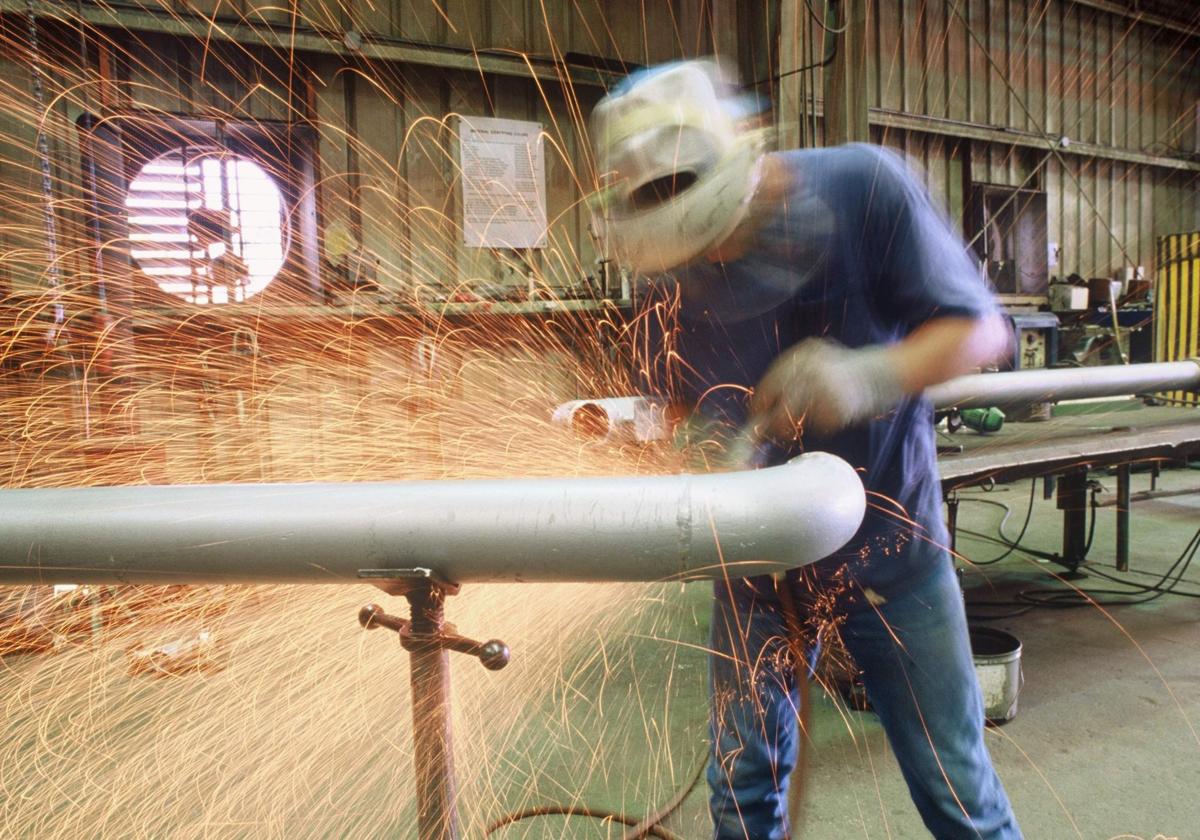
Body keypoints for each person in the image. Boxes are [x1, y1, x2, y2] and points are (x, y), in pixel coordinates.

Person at [589, 60, 1022, 839]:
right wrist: (693, 447)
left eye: (720, 234)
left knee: (959, 793)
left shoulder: (866, 188)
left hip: (892, 554)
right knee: (741, 789)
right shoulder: (666, 266)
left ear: (750, 160)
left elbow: (985, 331)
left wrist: (873, 373)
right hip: (754, 567)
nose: (710, 261)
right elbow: (676, 393)